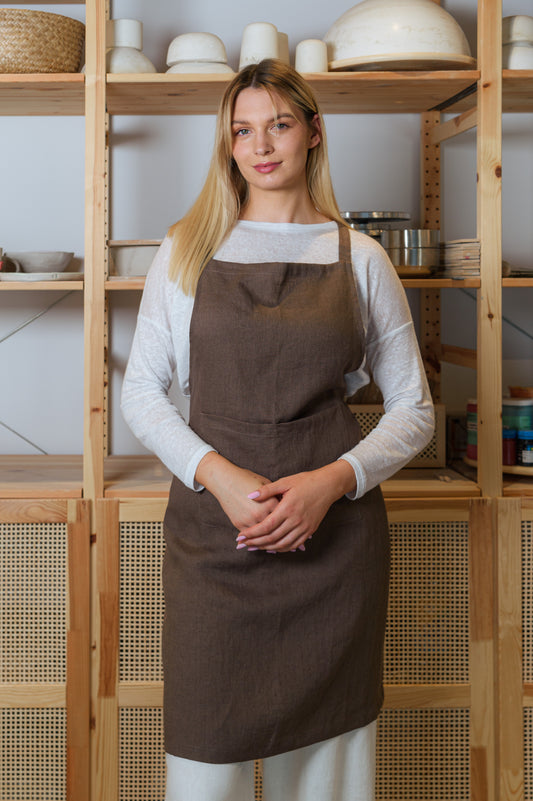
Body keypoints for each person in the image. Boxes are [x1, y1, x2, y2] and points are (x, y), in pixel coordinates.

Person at [121, 58, 434, 801]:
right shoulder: (187, 248)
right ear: (228, 146)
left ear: (313, 134)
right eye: (242, 130)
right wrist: (221, 478)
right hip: (214, 548)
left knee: (327, 781)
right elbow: (140, 392)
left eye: (280, 125)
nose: (261, 145)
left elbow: (413, 409)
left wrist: (330, 484)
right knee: (204, 773)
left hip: (333, 555)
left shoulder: (360, 258)